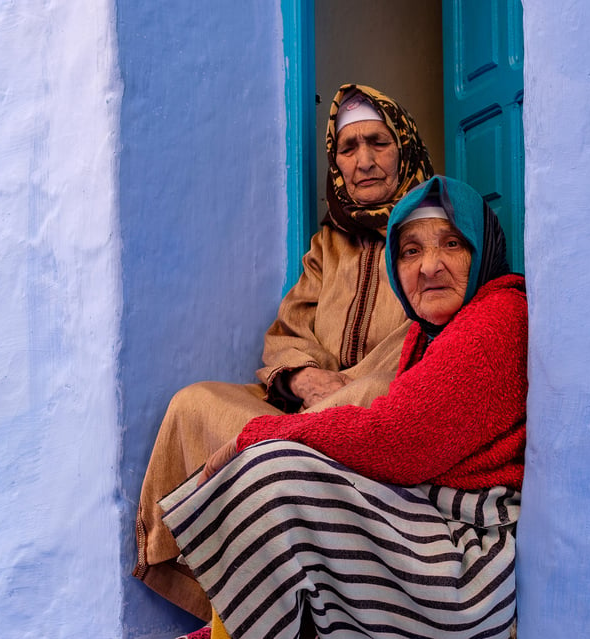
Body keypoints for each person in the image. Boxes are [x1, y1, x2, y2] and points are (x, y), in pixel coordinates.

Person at [160, 175, 528, 639]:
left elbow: (402, 442)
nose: (429, 265)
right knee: (287, 494)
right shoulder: (425, 331)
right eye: (410, 251)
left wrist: (267, 433)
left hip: (469, 569)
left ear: (481, 248)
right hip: (425, 529)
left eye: (451, 243)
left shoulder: (499, 313)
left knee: (275, 475)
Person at [134, 84, 434, 621]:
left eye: (377, 143)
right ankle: (236, 594)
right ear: (336, 162)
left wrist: (356, 385)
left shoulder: (430, 232)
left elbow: (427, 331)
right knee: (194, 402)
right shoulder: (328, 243)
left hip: (380, 406)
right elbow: (289, 327)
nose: (363, 161)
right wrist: (300, 377)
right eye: (347, 148)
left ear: (403, 148)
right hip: (306, 402)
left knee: (354, 402)